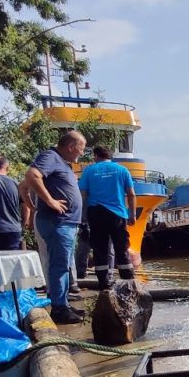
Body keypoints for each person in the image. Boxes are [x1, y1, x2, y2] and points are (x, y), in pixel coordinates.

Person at [23, 130, 86, 324]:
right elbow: (31, 176)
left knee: (63, 265)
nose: (81, 154)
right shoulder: (50, 157)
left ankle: (63, 304)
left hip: (65, 223)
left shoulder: (60, 162)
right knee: (59, 266)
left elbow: (22, 186)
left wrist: (31, 205)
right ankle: (58, 309)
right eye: (81, 149)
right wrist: (50, 201)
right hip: (58, 223)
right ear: (71, 146)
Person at [79, 145, 137, 290]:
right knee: (121, 248)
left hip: (96, 214)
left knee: (100, 249)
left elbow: (83, 195)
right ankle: (128, 282)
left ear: (96, 156)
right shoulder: (122, 170)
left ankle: (104, 284)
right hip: (117, 215)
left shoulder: (89, 171)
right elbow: (131, 194)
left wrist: (82, 217)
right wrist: (132, 215)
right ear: (110, 156)